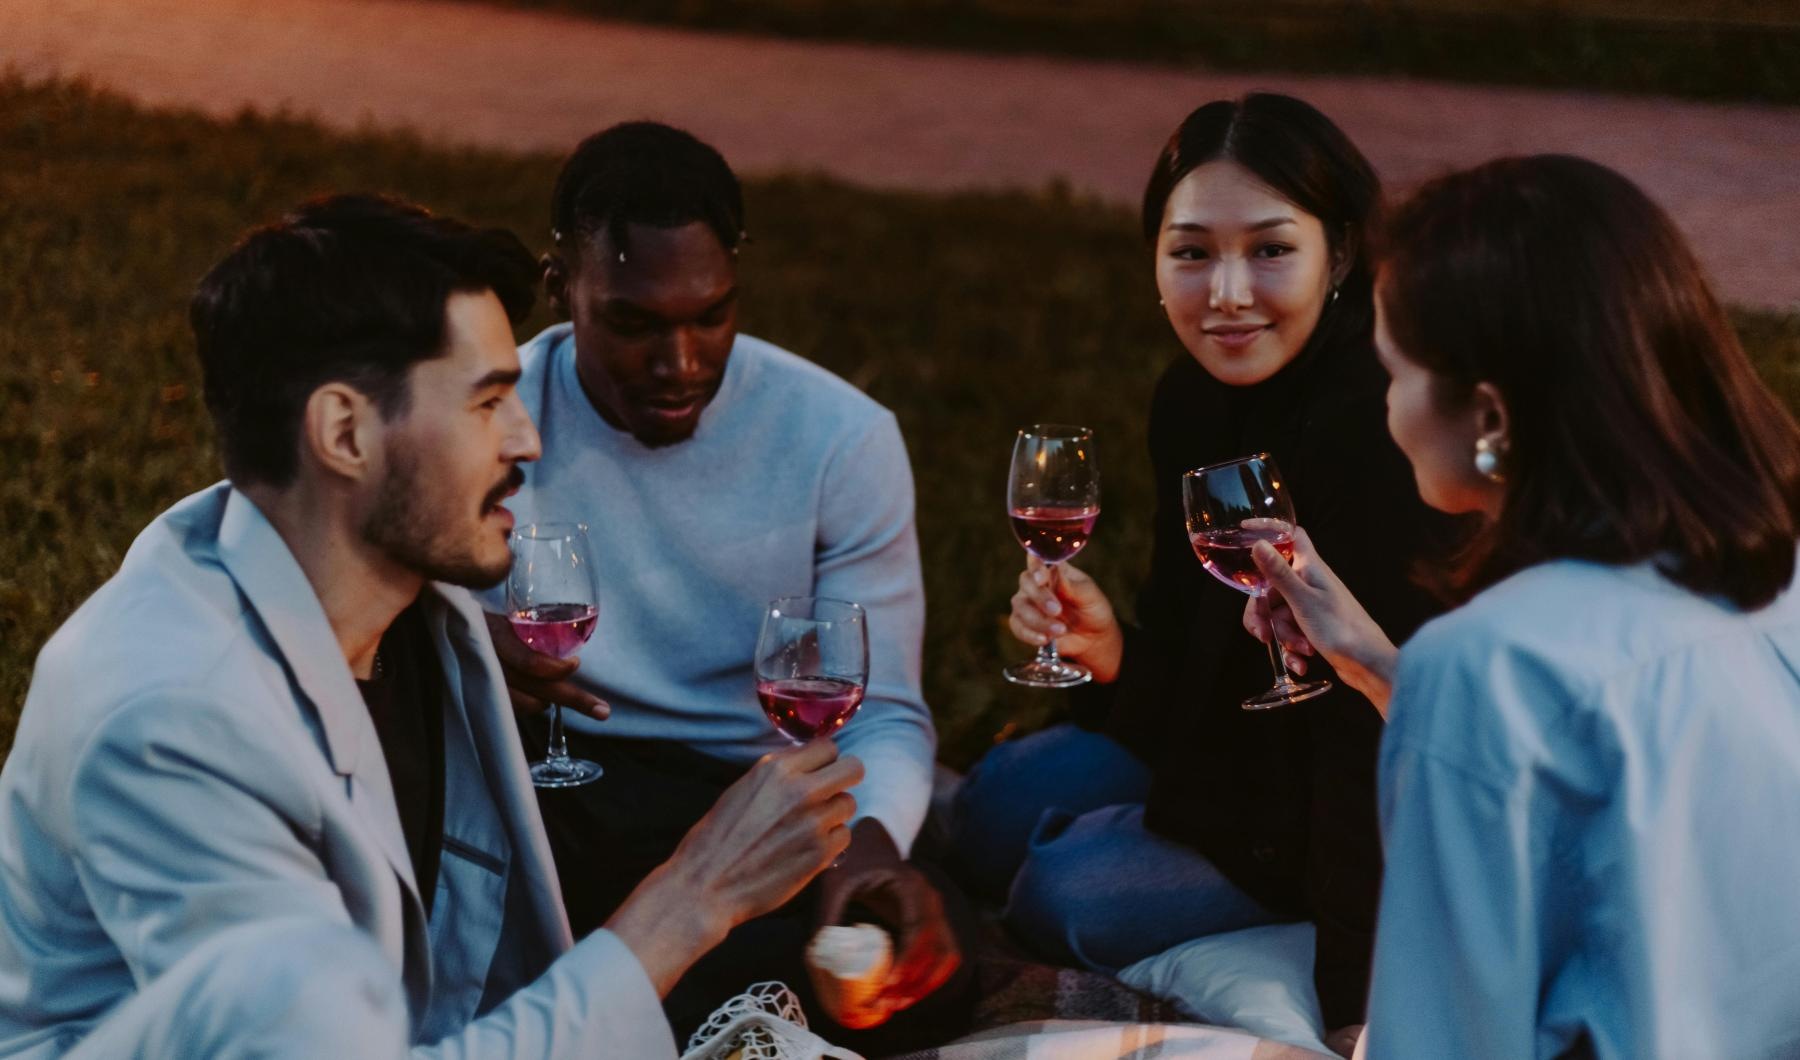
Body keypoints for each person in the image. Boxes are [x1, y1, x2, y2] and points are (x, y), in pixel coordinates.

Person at [0, 194, 864, 1058]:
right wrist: (695, 898)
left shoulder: (399, 601)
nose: (528, 441)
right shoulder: (173, 724)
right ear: (344, 433)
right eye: (487, 403)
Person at [1248, 154, 1800, 1058]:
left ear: (1491, 416)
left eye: (1395, 373)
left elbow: (1447, 1039)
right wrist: (1381, 670)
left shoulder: (1491, 662)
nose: (1388, 409)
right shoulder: (1776, 575)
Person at [948, 93, 1455, 1046]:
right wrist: (1110, 660)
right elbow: (1193, 663)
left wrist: (1358, 1006)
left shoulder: (1379, 430)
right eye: (1191, 252)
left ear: (1339, 255)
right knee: (985, 808)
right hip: (1236, 765)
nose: (1226, 293)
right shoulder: (1189, 401)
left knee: (1064, 893)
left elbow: (1368, 752)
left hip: (1347, 810)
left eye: (1270, 250)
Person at [479, 121, 970, 1050]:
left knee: (920, 968)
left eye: (711, 315)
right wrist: (475, 649)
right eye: (633, 322)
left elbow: (889, 710)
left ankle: (620, 995)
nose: (681, 364)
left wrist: (862, 853)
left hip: (761, 791)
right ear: (560, 291)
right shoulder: (495, 420)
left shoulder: (839, 437)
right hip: (569, 786)